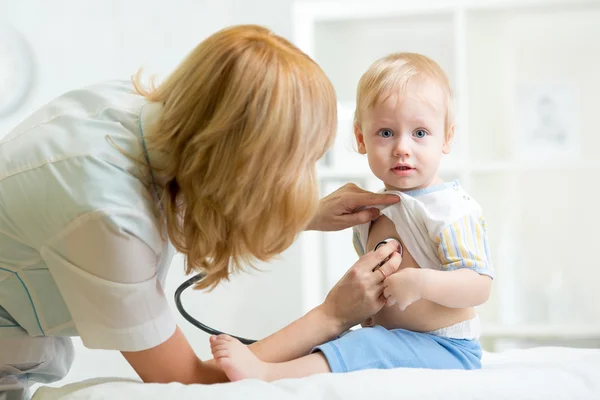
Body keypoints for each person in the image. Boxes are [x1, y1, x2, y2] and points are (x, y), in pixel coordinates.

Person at [0, 24, 401, 398]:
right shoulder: (106, 213)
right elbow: (189, 381)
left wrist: (304, 215)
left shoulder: (136, 112)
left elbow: (202, 184)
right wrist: (331, 315)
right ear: (251, 161)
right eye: (301, 162)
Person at [210, 52, 495, 381]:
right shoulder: (374, 210)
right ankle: (275, 366)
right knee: (348, 341)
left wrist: (421, 282)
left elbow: (479, 286)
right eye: (386, 133)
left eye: (420, 133)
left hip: (447, 348)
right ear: (361, 138)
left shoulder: (451, 208)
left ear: (446, 138)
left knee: (366, 344)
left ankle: (267, 374)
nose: (402, 147)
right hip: (399, 340)